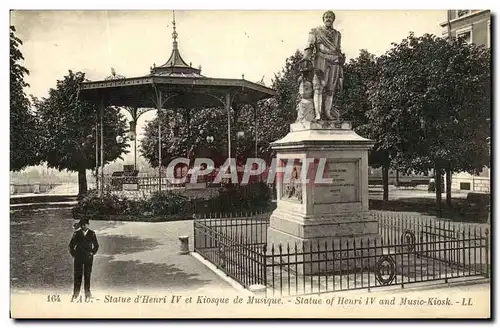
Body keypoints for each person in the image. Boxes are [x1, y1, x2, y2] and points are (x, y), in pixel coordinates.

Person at [301, 10, 345, 121]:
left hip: (334, 62)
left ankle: (328, 113)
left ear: (333, 19)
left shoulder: (337, 34)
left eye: (331, 17)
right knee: (318, 87)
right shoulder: (315, 31)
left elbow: (338, 49)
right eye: (326, 17)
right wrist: (306, 59)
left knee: (331, 90)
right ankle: (318, 114)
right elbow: (309, 45)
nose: (328, 19)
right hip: (321, 60)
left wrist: (340, 60)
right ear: (323, 19)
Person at [69, 218, 99, 302]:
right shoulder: (76, 234)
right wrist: (74, 255)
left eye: (85, 224)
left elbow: (96, 245)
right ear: (80, 225)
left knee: (87, 275)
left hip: (88, 258)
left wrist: (92, 253)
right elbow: (71, 246)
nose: (83, 226)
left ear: (88, 224)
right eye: (82, 225)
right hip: (78, 258)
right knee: (77, 276)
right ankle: (76, 294)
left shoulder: (92, 234)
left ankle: (87, 294)